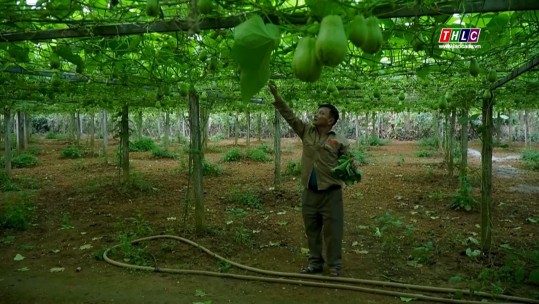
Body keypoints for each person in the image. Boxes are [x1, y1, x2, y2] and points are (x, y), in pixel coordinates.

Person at [268, 80, 353, 277]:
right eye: (317, 112)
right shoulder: (306, 131)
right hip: (309, 193)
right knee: (312, 230)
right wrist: (277, 98)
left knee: (333, 232)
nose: (317, 115)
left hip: (331, 194)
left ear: (331, 120)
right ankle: (315, 263)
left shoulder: (340, 140)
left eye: (322, 113)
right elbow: (290, 117)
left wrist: (350, 168)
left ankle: (335, 266)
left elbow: (349, 164)